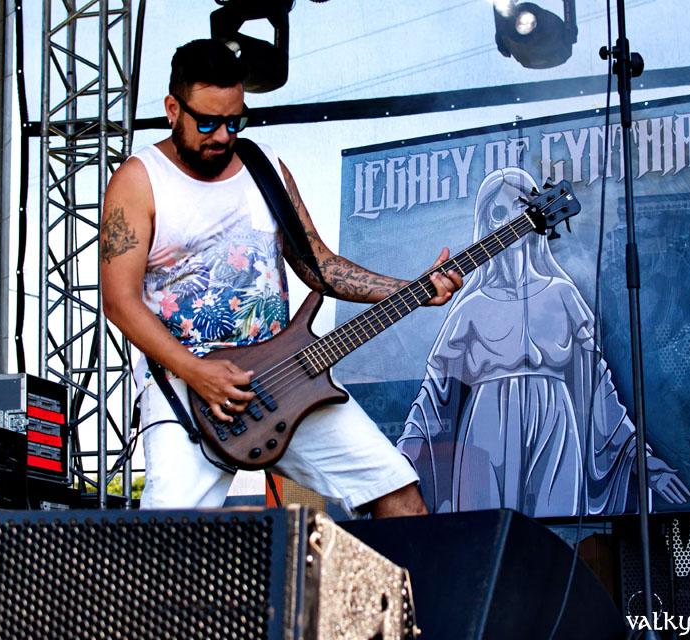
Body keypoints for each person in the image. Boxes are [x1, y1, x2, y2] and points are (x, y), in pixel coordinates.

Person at [99, 39, 462, 516]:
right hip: (188, 392)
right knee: (168, 545)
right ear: (173, 109)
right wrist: (197, 372)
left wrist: (411, 290)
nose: (222, 136)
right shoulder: (140, 180)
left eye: (235, 122)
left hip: (285, 381)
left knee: (399, 496)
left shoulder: (264, 166)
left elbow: (319, 266)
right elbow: (119, 300)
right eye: (207, 122)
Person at [396, 167, 690, 517]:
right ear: (487, 223)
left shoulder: (561, 295)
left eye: (520, 209)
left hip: (555, 428)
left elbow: (598, 386)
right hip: (486, 432)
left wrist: (641, 457)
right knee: (487, 531)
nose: (509, 224)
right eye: (499, 213)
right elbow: (433, 394)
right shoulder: (470, 308)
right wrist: (401, 458)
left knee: (554, 532)